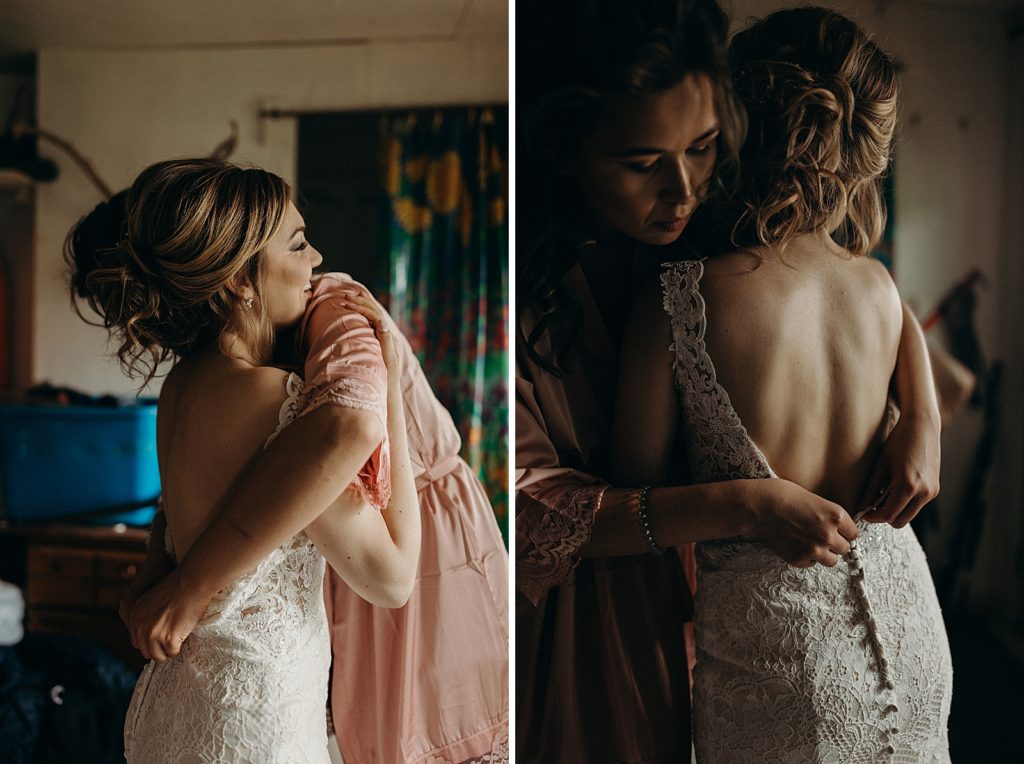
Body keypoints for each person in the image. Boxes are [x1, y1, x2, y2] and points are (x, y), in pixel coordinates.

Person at [515, 0, 941, 760]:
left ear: (740, 133)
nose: (682, 191)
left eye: (704, 148)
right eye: (644, 162)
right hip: (911, 616)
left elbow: (638, 476)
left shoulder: (681, 293)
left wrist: (922, 415)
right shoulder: (874, 284)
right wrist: (912, 411)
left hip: (777, 643)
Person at [77, 192, 509, 760]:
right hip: (255, 718)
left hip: (176, 705)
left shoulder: (182, 385)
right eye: (299, 243)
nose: (318, 260)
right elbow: (393, 578)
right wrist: (392, 389)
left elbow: (176, 516)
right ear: (238, 281)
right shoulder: (284, 407)